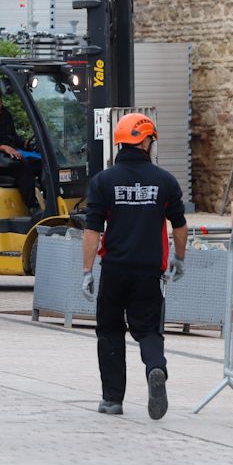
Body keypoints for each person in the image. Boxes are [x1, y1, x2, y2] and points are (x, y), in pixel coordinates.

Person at [80, 112, 187, 420]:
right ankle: (155, 369)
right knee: (149, 330)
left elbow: (92, 230)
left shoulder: (103, 181)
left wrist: (87, 271)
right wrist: (179, 258)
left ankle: (113, 400)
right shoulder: (164, 181)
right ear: (144, 141)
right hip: (149, 271)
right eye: (151, 139)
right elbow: (179, 225)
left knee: (110, 332)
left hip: (114, 270)